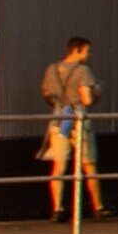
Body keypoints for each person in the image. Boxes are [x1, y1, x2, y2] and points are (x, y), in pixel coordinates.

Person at [40, 36, 110, 217]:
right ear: (78, 50)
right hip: (79, 119)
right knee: (89, 164)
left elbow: (47, 94)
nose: (90, 54)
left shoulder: (52, 69)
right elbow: (86, 99)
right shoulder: (84, 71)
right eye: (88, 50)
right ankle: (98, 206)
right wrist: (97, 94)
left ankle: (57, 209)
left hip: (59, 119)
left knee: (59, 167)